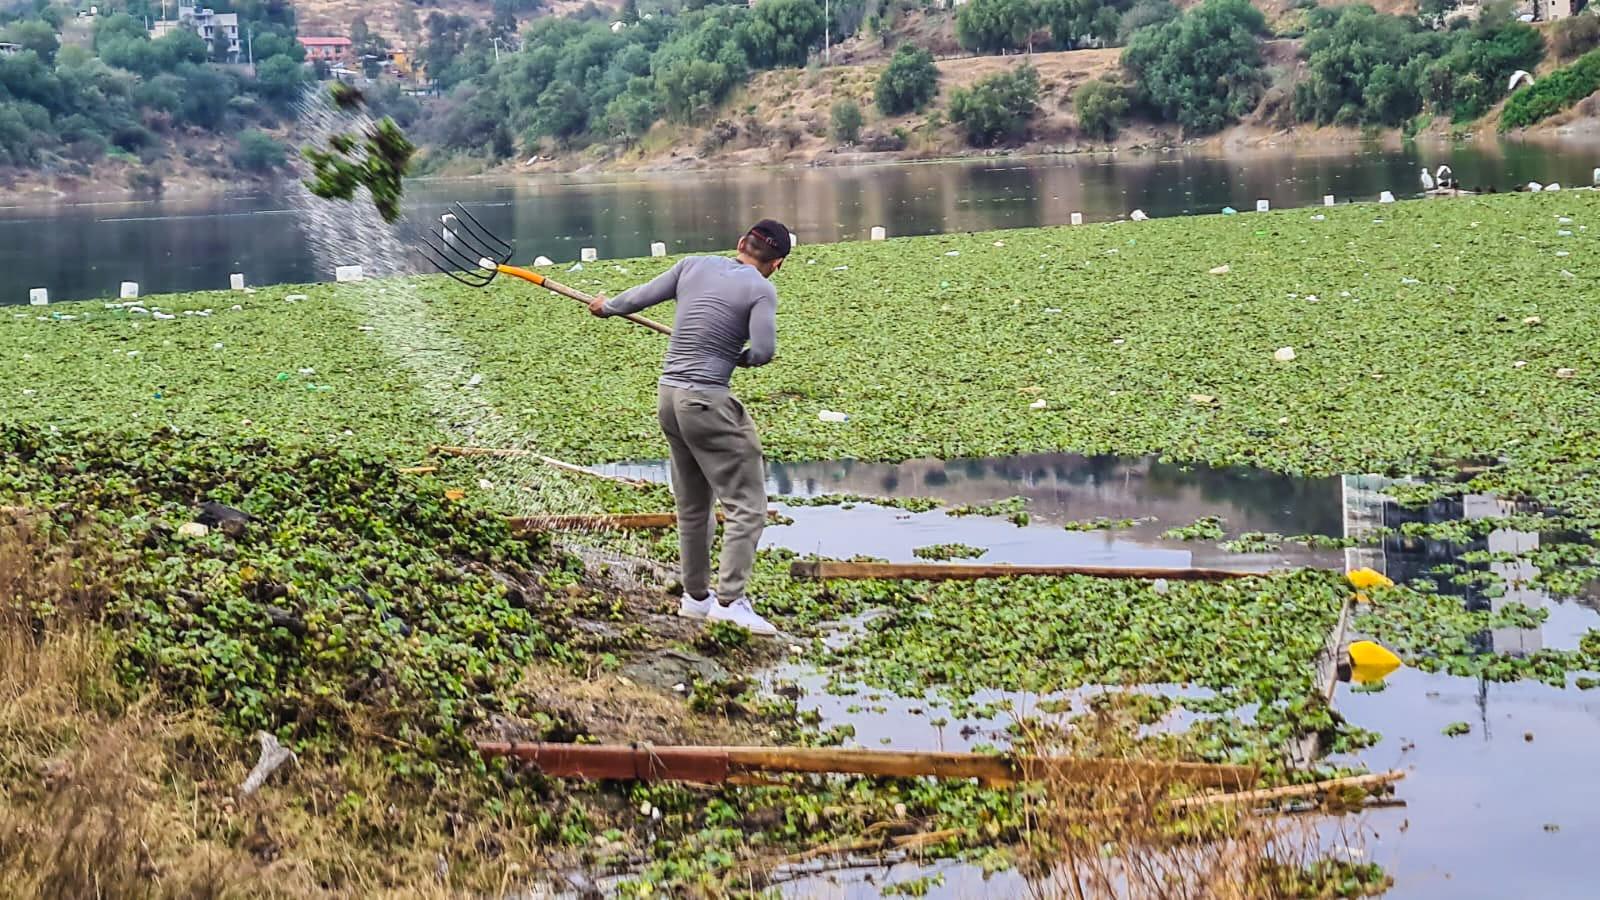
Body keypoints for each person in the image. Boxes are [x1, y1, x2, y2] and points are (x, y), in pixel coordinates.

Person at [588, 220, 790, 636]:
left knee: (694, 505)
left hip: (669, 398)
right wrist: (742, 358)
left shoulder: (691, 265)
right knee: (747, 506)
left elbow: (635, 299)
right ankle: (731, 603)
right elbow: (765, 351)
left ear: (740, 244)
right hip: (706, 400)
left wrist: (605, 306)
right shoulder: (761, 288)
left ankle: (696, 599)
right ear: (777, 264)